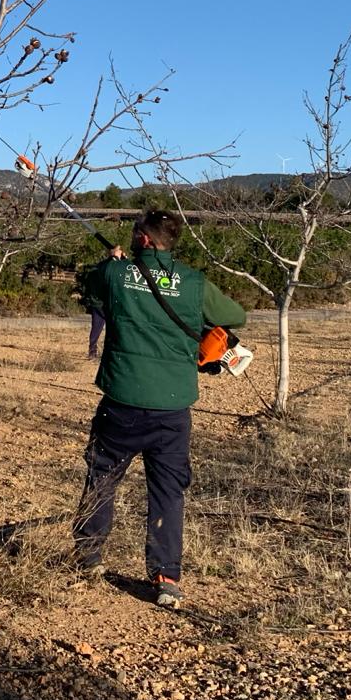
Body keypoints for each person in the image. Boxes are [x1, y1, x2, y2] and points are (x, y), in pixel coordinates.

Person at [71, 209, 246, 609]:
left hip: (121, 401)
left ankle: (88, 557)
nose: (133, 235)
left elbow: (92, 288)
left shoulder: (116, 273)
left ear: (145, 240)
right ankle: (166, 577)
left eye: (135, 231)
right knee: (168, 490)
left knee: (102, 478)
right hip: (172, 407)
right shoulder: (194, 282)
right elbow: (236, 316)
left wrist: (113, 263)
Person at [75, 244, 123, 360]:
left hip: (98, 302)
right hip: (104, 303)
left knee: (97, 328)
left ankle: (93, 352)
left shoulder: (100, 266)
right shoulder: (110, 267)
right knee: (109, 329)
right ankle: (101, 352)